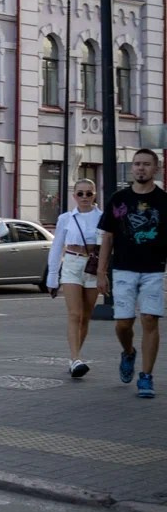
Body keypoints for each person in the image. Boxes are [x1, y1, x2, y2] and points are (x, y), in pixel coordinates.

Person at [97, 148, 167, 398]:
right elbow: (107, 236)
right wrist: (101, 271)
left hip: (154, 270)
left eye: (146, 164)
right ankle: (128, 352)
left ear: (156, 168)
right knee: (123, 324)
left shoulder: (164, 201)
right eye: (137, 164)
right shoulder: (119, 199)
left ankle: (146, 377)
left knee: (150, 319)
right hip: (123, 269)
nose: (140, 168)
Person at [46, 179, 102, 378]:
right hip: (71, 263)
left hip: (93, 266)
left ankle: (75, 358)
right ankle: (75, 358)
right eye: (80, 194)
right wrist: (52, 276)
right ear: (74, 196)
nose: (85, 197)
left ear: (95, 194)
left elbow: (108, 246)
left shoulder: (102, 217)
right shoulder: (66, 218)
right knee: (75, 314)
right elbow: (56, 246)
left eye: (89, 193)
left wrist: (105, 273)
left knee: (86, 315)